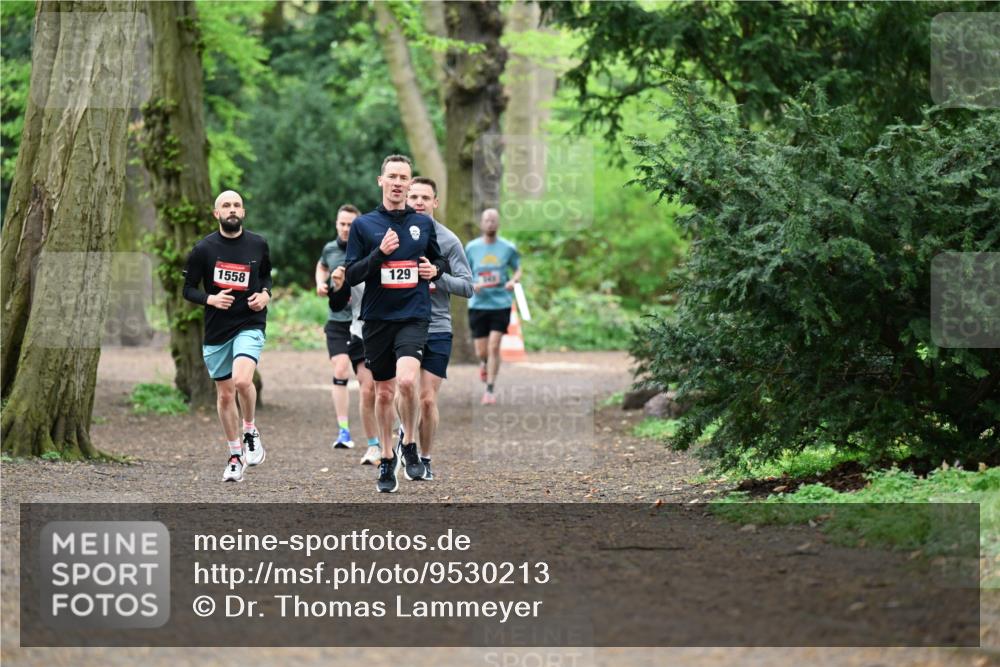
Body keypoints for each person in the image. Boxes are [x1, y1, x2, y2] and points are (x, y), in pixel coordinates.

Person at [345, 154, 450, 493]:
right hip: (377, 319)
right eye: (392, 176)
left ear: (409, 183)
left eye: (403, 177)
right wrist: (379, 254)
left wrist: (435, 270)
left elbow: (439, 258)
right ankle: (387, 460)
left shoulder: (424, 223)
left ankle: (409, 444)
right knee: (384, 391)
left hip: (413, 316)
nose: (398, 182)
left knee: (407, 382)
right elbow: (351, 275)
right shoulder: (364, 226)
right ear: (381, 181)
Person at [182, 190, 272, 482]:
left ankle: (250, 429)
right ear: (216, 213)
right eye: (226, 205)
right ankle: (235, 455)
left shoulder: (258, 244)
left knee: (243, 380)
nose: (232, 210)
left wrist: (266, 294)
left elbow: (267, 276)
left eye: (236, 205)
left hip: (250, 323)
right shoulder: (203, 249)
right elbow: (188, 289)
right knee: (224, 395)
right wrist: (211, 299)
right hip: (218, 329)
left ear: (243, 212)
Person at [395, 176, 474, 481]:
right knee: (406, 387)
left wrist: (436, 275)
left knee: (427, 398)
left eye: (424, 198)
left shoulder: (449, 241)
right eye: (413, 197)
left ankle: (424, 457)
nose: (418, 202)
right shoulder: (394, 236)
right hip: (403, 325)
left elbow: (468, 287)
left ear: (435, 203)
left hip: (438, 326)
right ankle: (407, 437)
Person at [465, 208, 522, 405]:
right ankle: (483, 363)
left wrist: (512, 281)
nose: (490, 223)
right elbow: (463, 271)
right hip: (478, 303)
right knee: (482, 351)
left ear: (498, 223)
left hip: (500, 302)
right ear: (481, 223)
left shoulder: (508, 248)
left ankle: (489, 390)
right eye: (487, 220)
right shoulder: (471, 248)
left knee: (494, 345)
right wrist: (472, 284)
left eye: (494, 220)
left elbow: (518, 269)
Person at [316, 204, 361, 449]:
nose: (345, 229)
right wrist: (320, 283)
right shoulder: (330, 249)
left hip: (362, 322)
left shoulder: (366, 248)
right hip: (337, 321)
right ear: (336, 224)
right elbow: (322, 265)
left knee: (372, 380)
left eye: (351, 225)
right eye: (342, 224)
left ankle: (381, 430)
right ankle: (343, 430)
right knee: (341, 369)